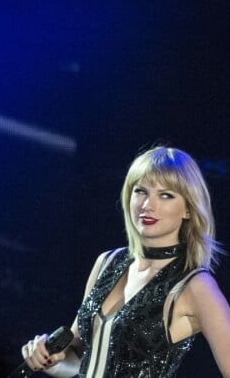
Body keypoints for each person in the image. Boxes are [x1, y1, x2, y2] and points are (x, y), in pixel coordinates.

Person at [21, 146, 230, 377]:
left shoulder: (196, 285)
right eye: (141, 191)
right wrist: (50, 359)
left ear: (189, 210)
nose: (147, 205)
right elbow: (81, 358)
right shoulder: (107, 263)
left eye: (166, 195)